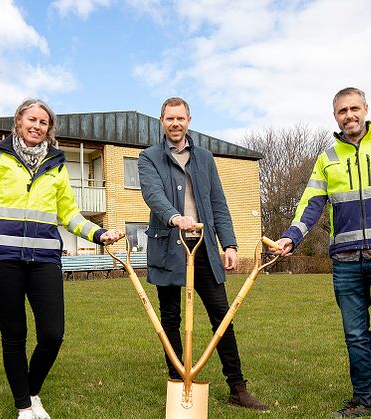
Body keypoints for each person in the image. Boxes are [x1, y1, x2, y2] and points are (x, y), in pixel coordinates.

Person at [0, 98, 122, 419]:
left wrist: (98, 233)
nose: (37, 126)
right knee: (14, 335)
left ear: (49, 129)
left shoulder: (57, 165)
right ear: (18, 121)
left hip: (45, 261)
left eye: (43, 122)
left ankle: (31, 391)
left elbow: (69, 215)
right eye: (31, 119)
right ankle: (24, 406)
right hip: (1, 260)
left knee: (52, 334)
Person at [272, 87, 371, 419]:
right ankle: (365, 401)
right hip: (345, 262)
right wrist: (290, 238)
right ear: (335, 116)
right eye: (343, 111)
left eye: (355, 108)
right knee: (356, 336)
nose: (350, 115)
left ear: (366, 109)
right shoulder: (327, 159)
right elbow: (310, 205)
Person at [137, 97, 269, 411]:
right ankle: (176, 381)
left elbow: (218, 204)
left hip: (204, 248)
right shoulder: (149, 157)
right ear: (161, 121)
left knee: (222, 317)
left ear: (189, 120)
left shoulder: (205, 158)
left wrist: (231, 244)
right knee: (170, 319)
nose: (175, 124)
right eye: (169, 119)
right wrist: (174, 217)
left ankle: (237, 387)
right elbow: (152, 193)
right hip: (170, 245)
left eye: (180, 118)